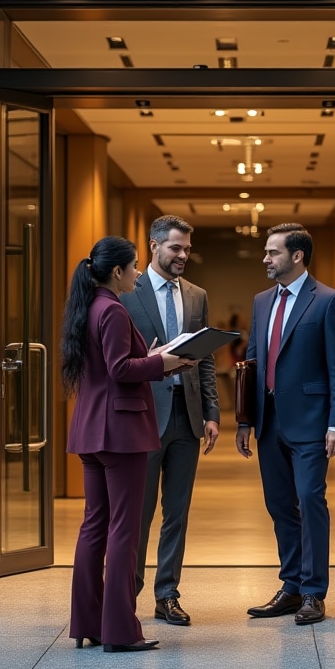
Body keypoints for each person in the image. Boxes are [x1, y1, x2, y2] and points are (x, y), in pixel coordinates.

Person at [60, 235, 194, 652]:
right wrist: (165, 363)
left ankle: (88, 623)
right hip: (120, 433)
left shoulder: (86, 308)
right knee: (123, 530)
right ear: (116, 272)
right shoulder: (113, 310)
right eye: (134, 266)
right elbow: (120, 369)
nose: (138, 272)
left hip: (90, 431)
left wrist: (149, 355)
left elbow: (104, 366)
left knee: (94, 526)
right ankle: (119, 630)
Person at [235, 223, 335, 624]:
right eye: (267, 253)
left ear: (297, 256)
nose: (265, 259)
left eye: (273, 253)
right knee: (280, 505)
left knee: (310, 500)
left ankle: (314, 592)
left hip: (311, 424)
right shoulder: (261, 300)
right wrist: (245, 420)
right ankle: (291, 586)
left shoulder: (329, 301)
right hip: (269, 422)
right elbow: (252, 360)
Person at [121, 215, 220, 626]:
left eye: (187, 249)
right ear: (154, 245)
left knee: (176, 512)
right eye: (175, 248)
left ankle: (167, 595)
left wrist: (212, 413)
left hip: (187, 418)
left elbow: (207, 360)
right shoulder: (127, 291)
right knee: (138, 514)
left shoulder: (196, 295)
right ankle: (127, 596)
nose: (183, 256)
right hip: (144, 416)